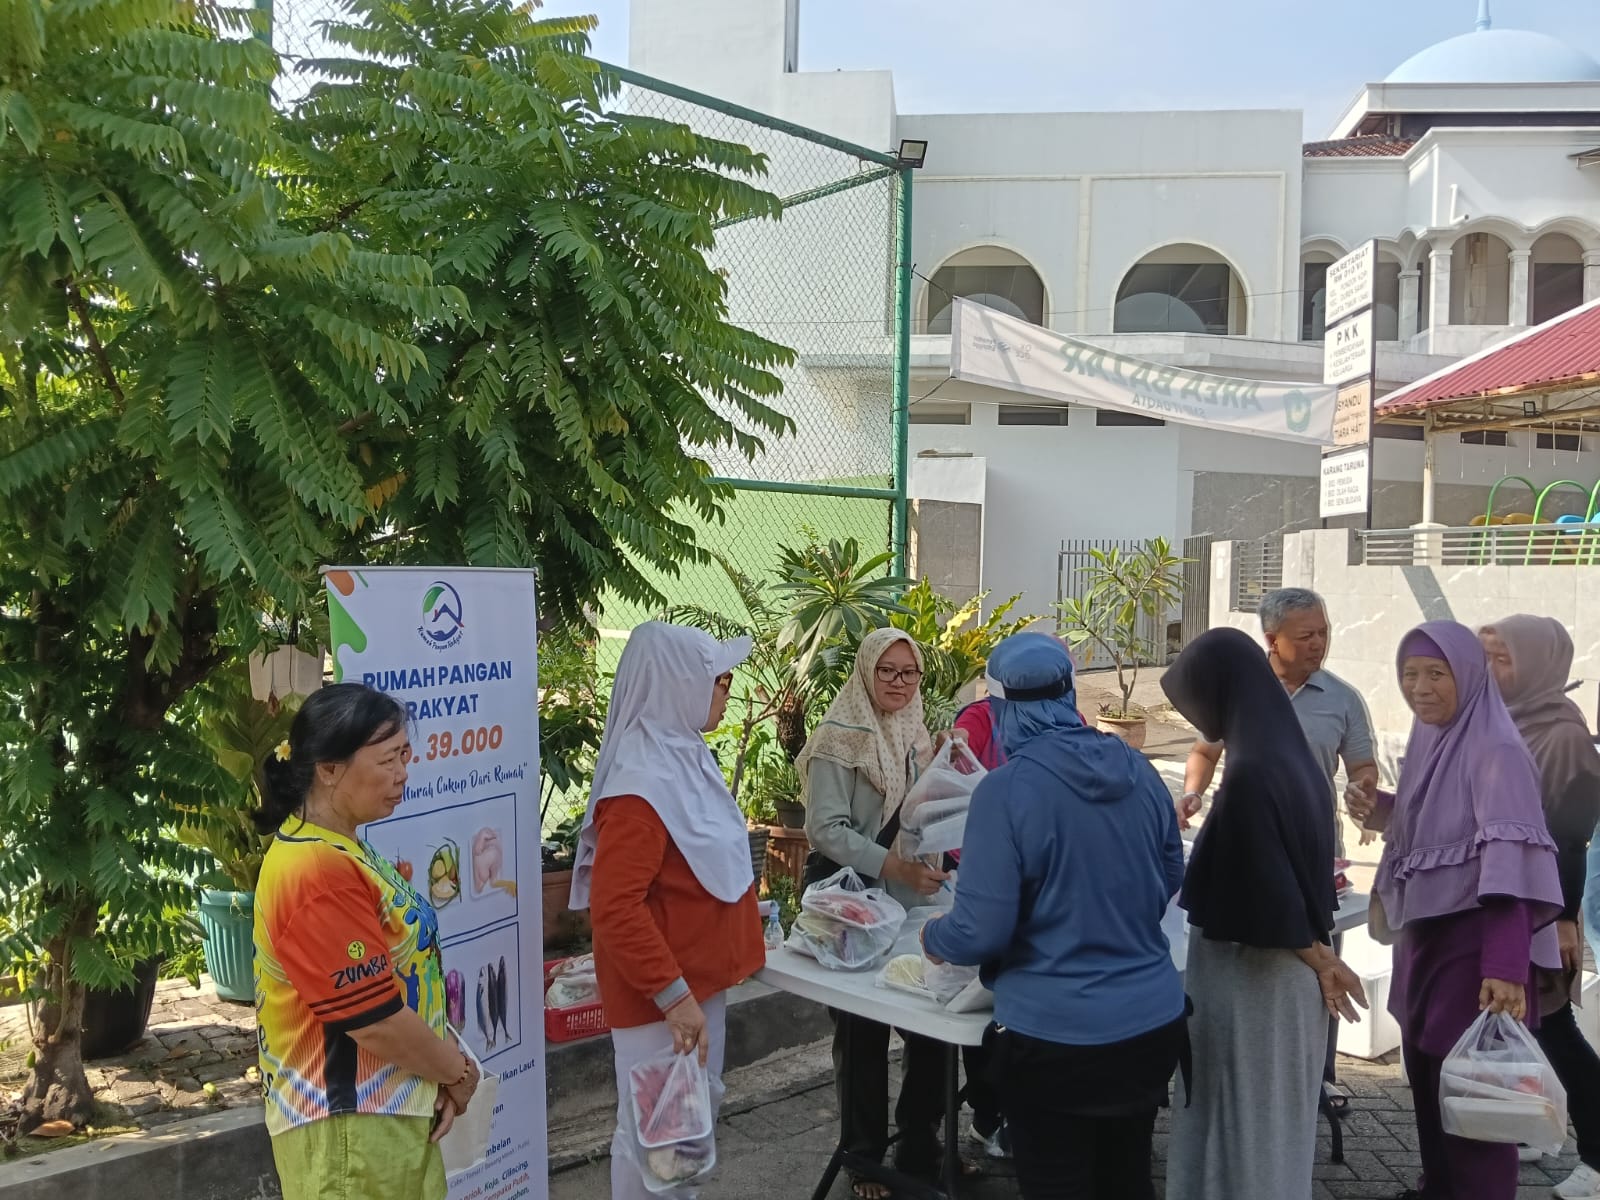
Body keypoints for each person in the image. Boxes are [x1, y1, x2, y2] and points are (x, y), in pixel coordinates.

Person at [921, 633, 1189, 1200]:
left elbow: (979, 930)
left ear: (1001, 709)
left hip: (1055, 1039)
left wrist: (933, 935)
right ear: (1069, 694)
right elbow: (1169, 877)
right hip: (1149, 1025)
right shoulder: (1139, 769)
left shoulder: (1005, 791)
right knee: (1126, 1180)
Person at [1347, 620, 1564, 1200]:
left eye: (1436, 674)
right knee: (1427, 1076)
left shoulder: (1497, 751)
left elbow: (1510, 860)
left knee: (1476, 1098)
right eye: (1409, 674)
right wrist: (1380, 808)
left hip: (1477, 947)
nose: (1419, 688)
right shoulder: (1432, 735)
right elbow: (1439, 825)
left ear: (1466, 676)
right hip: (1427, 940)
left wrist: (1505, 967)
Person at [1159, 628, 1367, 1200]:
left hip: (1255, 983)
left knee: (1246, 1130)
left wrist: (1321, 960)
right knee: (1269, 1129)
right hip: (1282, 982)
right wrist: (1321, 957)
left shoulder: (1251, 772)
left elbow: (1267, 891)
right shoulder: (1289, 755)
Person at [253, 683, 479, 1200]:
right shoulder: (315, 871)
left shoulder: (342, 846)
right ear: (328, 769)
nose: (402, 773)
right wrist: (457, 1073)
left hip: (385, 1115)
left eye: (405, 755)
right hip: (349, 1134)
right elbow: (372, 1017)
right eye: (387, 759)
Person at [568, 622, 766, 1200]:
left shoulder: (679, 757)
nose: (727, 690)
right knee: (659, 1143)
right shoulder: (640, 790)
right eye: (719, 679)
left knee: (680, 1139)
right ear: (679, 684)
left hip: (690, 990)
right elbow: (615, 909)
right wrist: (674, 998)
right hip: (664, 1001)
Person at [1179, 587, 1378, 1099]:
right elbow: (1205, 751)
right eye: (1306, 635)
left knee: (1318, 962)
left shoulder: (1342, 698)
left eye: (1324, 633)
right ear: (1272, 639)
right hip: (1253, 846)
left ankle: (1318, 1075)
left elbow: (1363, 765)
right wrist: (1192, 793)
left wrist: (1362, 789)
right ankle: (1263, 1077)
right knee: (1273, 960)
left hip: (1314, 854)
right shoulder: (1241, 691)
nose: (1319, 644)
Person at [800, 627, 957, 1197]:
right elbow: (826, 829)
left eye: (909, 672)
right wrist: (894, 867)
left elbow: (919, 810)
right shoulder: (838, 738)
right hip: (850, 903)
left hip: (910, 901)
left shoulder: (913, 730)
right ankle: (864, 1158)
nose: (899, 682)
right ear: (866, 671)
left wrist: (944, 764)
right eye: (887, 670)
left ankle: (920, 1143)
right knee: (861, 1033)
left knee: (933, 1024)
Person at [1481, 615, 1600, 1200]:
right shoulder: (1498, 718)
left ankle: (1598, 1159)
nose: (1488, 669)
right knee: (1515, 1023)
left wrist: (1566, 919)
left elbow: (1572, 836)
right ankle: (1529, 1123)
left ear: (1536, 664)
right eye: (1484, 656)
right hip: (1503, 900)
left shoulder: (1563, 736)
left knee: (1554, 1029)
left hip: (1543, 907)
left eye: (1502, 659)